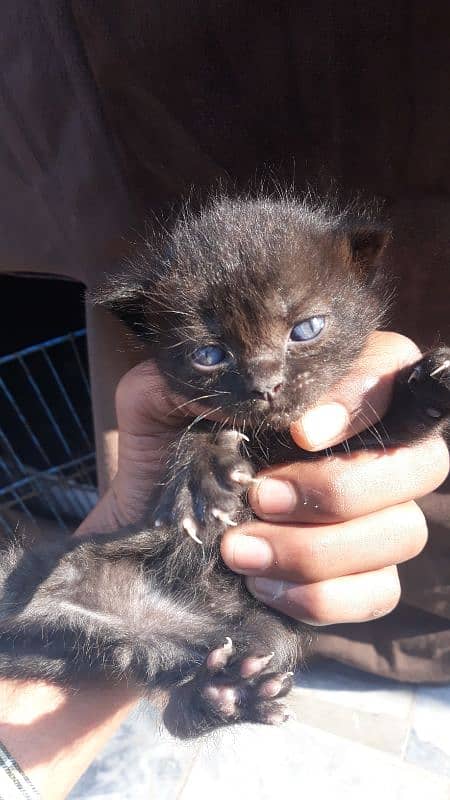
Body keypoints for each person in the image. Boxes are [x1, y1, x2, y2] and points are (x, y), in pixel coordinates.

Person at [0, 330, 447, 800]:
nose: (265, 378)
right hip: (158, 595)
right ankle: (202, 690)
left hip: (161, 596)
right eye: (211, 351)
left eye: (305, 330)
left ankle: (200, 689)